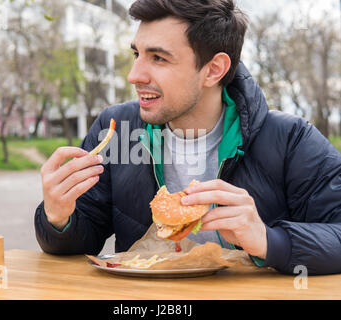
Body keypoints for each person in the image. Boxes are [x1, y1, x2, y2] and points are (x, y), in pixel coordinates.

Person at [34, 0, 341, 275]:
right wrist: (58, 218)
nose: (134, 75)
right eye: (137, 53)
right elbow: (79, 242)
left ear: (213, 69)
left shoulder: (291, 139)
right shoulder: (116, 129)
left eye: (158, 58)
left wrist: (268, 240)